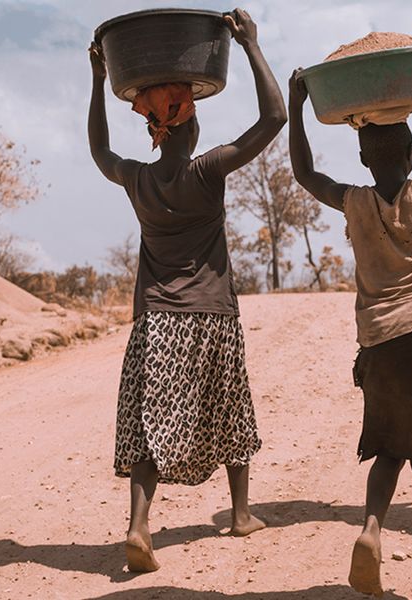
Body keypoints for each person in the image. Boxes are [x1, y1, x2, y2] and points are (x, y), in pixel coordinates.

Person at [289, 31, 412, 600]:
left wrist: (299, 108)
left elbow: (305, 175)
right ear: (408, 153)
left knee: (387, 447)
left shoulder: (353, 200)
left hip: (378, 342)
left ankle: (373, 528)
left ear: (362, 156)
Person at [87, 8, 286, 573]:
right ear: (189, 128)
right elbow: (273, 119)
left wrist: (99, 81)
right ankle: (242, 513)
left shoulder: (138, 178)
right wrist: (250, 45)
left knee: (153, 420)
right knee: (231, 413)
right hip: (212, 316)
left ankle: (138, 526)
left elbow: (99, 151)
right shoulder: (207, 171)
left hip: (156, 320)